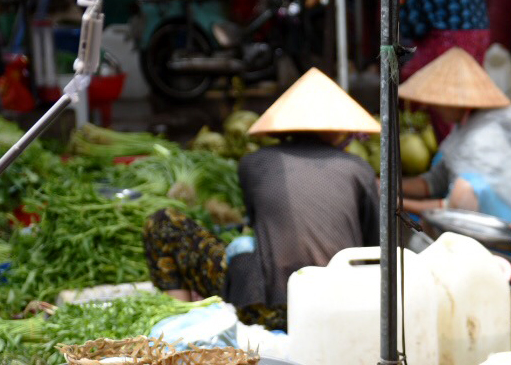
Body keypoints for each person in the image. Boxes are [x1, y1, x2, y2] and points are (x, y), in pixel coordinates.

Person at [143, 68, 380, 330]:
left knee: (164, 222)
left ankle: (179, 321)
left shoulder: (254, 163)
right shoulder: (358, 168)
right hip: (339, 306)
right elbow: (375, 246)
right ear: (337, 130)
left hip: (267, 308)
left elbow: (262, 229)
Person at [398, 47, 511, 224]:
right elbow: (435, 182)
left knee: (464, 187)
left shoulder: (482, 137)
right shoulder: (466, 127)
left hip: (509, 223)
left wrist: (399, 203)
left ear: (458, 104)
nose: (433, 107)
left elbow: (453, 205)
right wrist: (387, 186)